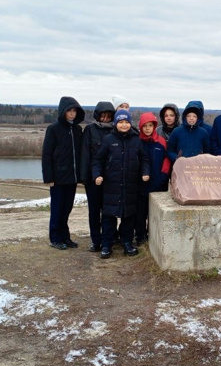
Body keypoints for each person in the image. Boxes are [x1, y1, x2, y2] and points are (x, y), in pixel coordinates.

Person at [92, 110, 150, 258]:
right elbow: (98, 160)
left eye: (126, 122)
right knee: (109, 216)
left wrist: (145, 172)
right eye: (121, 122)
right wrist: (97, 175)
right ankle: (106, 245)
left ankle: (127, 243)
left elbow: (144, 159)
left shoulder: (136, 140)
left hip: (130, 185)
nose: (124, 125)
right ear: (116, 123)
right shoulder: (108, 139)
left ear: (130, 124)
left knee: (128, 217)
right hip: (111, 185)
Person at [41, 96, 85, 250]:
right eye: (69, 111)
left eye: (74, 111)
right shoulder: (54, 129)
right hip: (58, 177)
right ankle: (55, 238)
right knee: (57, 209)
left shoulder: (77, 129)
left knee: (67, 209)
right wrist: (49, 177)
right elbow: (47, 154)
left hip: (72, 178)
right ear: (63, 111)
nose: (72, 114)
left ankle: (65, 237)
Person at [79, 100, 115, 252]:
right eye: (103, 116)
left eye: (108, 116)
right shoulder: (90, 130)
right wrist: (85, 177)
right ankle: (96, 241)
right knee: (94, 211)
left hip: (110, 179)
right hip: (93, 179)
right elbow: (85, 154)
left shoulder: (115, 131)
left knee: (109, 211)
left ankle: (109, 239)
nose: (105, 119)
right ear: (97, 116)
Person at [135, 112, 171, 246]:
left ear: (154, 126)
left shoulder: (161, 141)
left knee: (155, 213)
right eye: (144, 126)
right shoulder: (136, 141)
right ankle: (140, 237)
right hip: (141, 184)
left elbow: (166, 160)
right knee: (140, 213)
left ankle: (154, 237)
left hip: (158, 184)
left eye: (150, 125)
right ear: (140, 127)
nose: (147, 128)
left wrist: (163, 176)